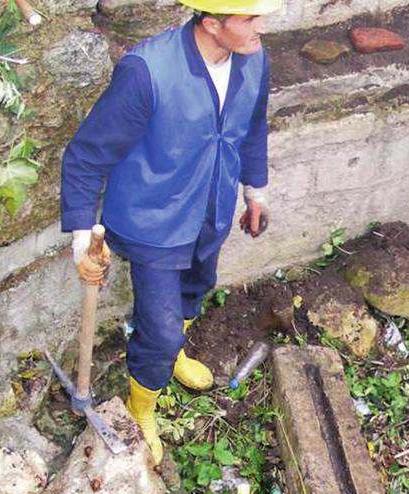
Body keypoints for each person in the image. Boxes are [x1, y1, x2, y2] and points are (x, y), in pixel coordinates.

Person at [60, 0, 280, 463]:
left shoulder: (254, 59)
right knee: (158, 331)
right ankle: (143, 408)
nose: (262, 26)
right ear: (212, 23)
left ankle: (173, 353)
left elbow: (253, 127)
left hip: (211, 209)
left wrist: (254, 192)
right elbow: (86, 156)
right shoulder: (147, 72)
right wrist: (81, 236)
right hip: (153, 221)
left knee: (197, 288)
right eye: (249, 18)